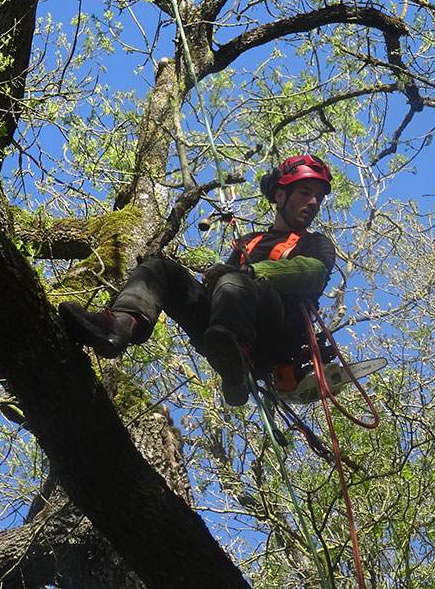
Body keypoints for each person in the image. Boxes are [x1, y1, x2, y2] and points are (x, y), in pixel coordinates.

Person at [59, 155, 338, 406]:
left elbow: (314, 272)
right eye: (305, 192)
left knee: (234, 281)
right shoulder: (247, 243)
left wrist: (250, 273)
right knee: (159, 269)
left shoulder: (315, 244)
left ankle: (236, 357)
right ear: (280, 195)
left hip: (274, 333)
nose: (313, 202)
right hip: (221, 328)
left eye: (318, 197)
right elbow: (222, 288)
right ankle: (119, 327)